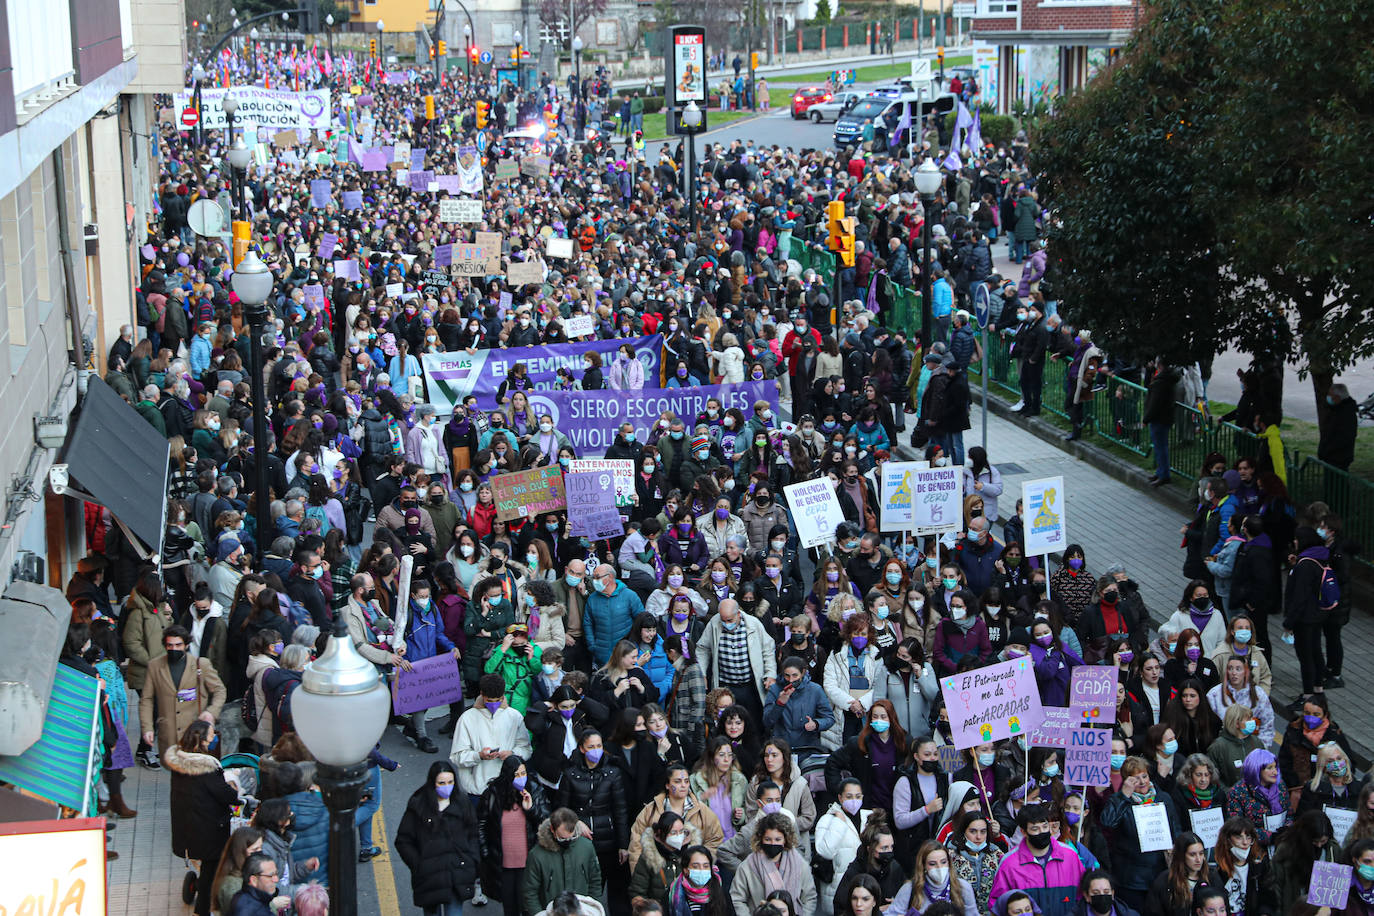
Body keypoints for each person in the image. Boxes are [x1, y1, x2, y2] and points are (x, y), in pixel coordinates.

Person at [165, 720, 242, 916]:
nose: (214, 739)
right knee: (211, 870)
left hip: (188, 827)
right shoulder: (208, 768)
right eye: (211, 736)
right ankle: (202, 910)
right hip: (209, 829)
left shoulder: (179, 763)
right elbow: (227, 796)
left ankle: (200, 893)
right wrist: (235, 788)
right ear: (202, 740)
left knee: (205, 867)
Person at [394, 760, 481, 916]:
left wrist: (472, 860)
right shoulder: (419, 805)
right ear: (433, 783)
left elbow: (473, 834)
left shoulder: (463, 804)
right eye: (442, 783)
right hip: (429, 878)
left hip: (456, 875)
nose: (447, 786)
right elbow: (403, 840)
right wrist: (418, 864)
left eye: (450, 782)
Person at [479, 755, 553, 916]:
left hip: (528, 863)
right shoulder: (493, 794)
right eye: (517, 775)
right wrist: (486, 853)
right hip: (502, 863)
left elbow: (547, 823)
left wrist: (531, 808)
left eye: (523, 773)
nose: (521, 778)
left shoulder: (535, 790)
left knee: (528, 908)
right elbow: (482, 825)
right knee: (510, 908)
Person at [139, 624, 227, 757]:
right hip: (169, 735)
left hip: (195, 734)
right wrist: (147, 728)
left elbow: (220, 690)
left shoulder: (200, 665)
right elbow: (146, 699)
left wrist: (211, 712)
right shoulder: (155, 666)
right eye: (170, 645)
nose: (174, 649)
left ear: (186, 645)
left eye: (178, 645)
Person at [988, 803, 1086, 916]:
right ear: (1023, 832)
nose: (1041, 832)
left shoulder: (1070, 856)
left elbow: (1083, 896)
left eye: (1045, 827)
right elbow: (997, 905)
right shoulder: (1009, 863)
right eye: (1035, 829)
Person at [452, 673, 534, 801]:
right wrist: (478, 755)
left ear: (503, 696)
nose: (494, 705)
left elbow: (526, 749)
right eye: (489, 701)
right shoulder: (467, 719)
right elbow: (457, 757)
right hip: (478, 790)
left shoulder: (514, 717)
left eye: (498, 700)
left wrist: (512, 754)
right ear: (482, 695)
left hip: (508, 790)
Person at [730, 813, 817, 916]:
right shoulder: (747, 866)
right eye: (768, 839)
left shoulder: (800, 864)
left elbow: (809, 898)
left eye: (777, 839)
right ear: (761, 839)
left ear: (785, 839)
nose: (772, 843)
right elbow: (737, 899)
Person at [524, 808, 605, 916]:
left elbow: (595, 881)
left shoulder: (586, 847)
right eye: (562, 838)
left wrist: (593, 907)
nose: (567, 841)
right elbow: (530, 892)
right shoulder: (536, 855)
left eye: (572, 837)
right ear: (552, 829)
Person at [884, 839, 980, 916]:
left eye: (943, 862)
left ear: (949, 863)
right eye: (932, 864)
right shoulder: (909, 889)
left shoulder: (963, 887)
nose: (939, 867)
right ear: (923, 866)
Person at [629, 811, 695, 911]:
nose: (678, 836)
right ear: (661, 833)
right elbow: (637, 893)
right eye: (673, 833)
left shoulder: (693, 854)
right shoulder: (649, 857)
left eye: (681, 832)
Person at [1143, 833, 1221, 916]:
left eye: (1201, 853)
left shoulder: (1212, 877)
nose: (1198, 859)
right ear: (1181, 856)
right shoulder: (1165, 881)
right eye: (1192, 854)